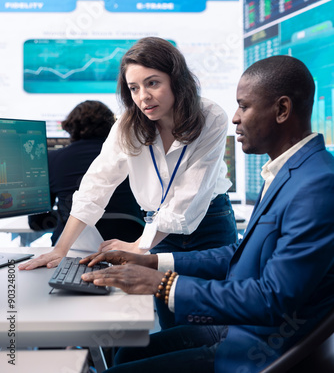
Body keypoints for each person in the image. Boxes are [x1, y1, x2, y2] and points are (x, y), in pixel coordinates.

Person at [78, 55, 334, 373]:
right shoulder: (287, 172)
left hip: (257, 349)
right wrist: (152, 261)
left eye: (244, 106)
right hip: (240, 329)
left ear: (282, 110)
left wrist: (163, 284)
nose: (236, 118)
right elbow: (242, 255)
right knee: (126, 354)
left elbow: (273, 299)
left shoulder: (317, 185)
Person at [20, 37, 236, 271]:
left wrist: (138, 245)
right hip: (156, 229)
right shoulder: (128, 125)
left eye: (152, 83)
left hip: (210, 223)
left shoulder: (211, 117)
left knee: (216, 302)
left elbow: (188, 199)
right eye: (134, 88)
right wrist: (59, 250)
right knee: (163, 302)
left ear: (177, 81)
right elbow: (96, 186)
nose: (143, 96)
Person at [28, 100, 144, 245]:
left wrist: (62, 215)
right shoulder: (132, 157)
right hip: (130, 241)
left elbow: (37, 222)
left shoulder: (51, 160)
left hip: (72, 244)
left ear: (70, 127)